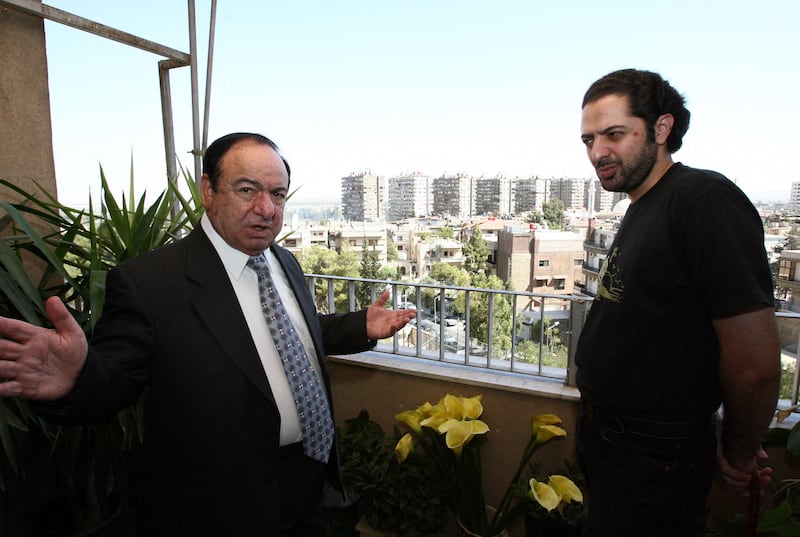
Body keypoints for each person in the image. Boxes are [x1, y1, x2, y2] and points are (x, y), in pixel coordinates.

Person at [0, 132, 416, 536]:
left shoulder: (282, 260)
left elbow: (294, 337)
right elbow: (116, 383)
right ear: (208, 191)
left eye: (277, 194)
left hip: (307, 484)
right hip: (220, 507)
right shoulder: (149, 283)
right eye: (247, 190)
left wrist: (361, 326)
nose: (266, 208)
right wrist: (75, 379)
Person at [575, 69, 780, 536]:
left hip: (654, 457)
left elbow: (755, 364)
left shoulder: (703, 200)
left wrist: (741, 451)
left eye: (614, 134)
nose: (596, 152)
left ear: (661, 129)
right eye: (588, 139)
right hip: (616, 445)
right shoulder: (644, 203)